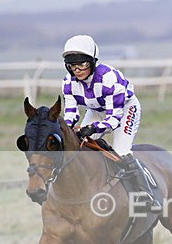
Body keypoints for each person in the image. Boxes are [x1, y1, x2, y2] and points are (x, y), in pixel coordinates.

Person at [61, 34, 161, 212]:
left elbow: (114, 118)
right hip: (97, 111)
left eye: (82, 64)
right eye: (72, 65)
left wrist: (91, 128)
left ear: (93, 62)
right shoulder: (68, 82)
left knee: (121, 151)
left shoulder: (108, 78)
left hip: (124, 110)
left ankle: (147, 194)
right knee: (80, 146)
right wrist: (69, 130)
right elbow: (70, 113)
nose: (77, 69)